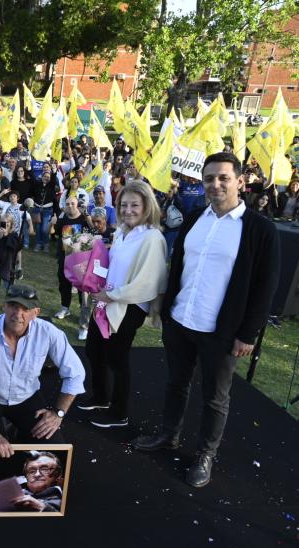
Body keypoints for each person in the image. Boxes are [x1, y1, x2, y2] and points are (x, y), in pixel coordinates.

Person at [131, 152, 280, 488]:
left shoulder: (260, 230)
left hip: (223, 332)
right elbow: (180, 265)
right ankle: (169, 435)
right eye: (209, 178)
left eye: (223, 178)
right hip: (182, 320)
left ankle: (205, 455)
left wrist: (248, 333)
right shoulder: (196, 217)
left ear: (240, 181)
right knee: (175, 384)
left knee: (215, 397)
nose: (215, 184)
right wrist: (167, 312)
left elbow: (265, 287)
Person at [79, 182, 168, 429]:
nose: (128, 210)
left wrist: (113, 295)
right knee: (93, 350)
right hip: (105, 301)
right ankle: (100, 397)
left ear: (147, 206)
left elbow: (150, 281)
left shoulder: (152, 237)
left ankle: (119, 413)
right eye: (124, 204)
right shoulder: (120, 232)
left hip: (128, 307)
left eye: (135, 205)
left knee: (117, 358)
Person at [0, 285, 85, 455]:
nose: (18, 314)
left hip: (27, 397)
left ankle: (18, 432)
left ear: (35, 312)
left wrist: (58, 413)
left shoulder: (49, 332)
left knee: (54, 454)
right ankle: (9, 432)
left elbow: (76, 373)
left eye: (25, 309)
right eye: (13, 306)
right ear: (4, 306)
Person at [51, 195, 92, 334]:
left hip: (81, 258)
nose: (70, 206)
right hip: (65, 257)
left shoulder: (84, 220)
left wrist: (90, 221)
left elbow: (94, 234)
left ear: (77, 204)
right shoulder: (62, 220)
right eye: (67, 204)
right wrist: (53, 223)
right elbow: (52, 233)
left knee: (82, 287)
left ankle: (83, 311)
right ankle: (65, 308)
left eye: (72, 204)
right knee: (64, 283)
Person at [0, 213, 23, 313]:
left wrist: (19, 267)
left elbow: (17, 250)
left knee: (9, 287)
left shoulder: (14, 236)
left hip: (7, 266)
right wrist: (0, 237)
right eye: (3, 223)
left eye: (7, 223)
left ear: (11, 224)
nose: (4, 225)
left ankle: (9, 305)